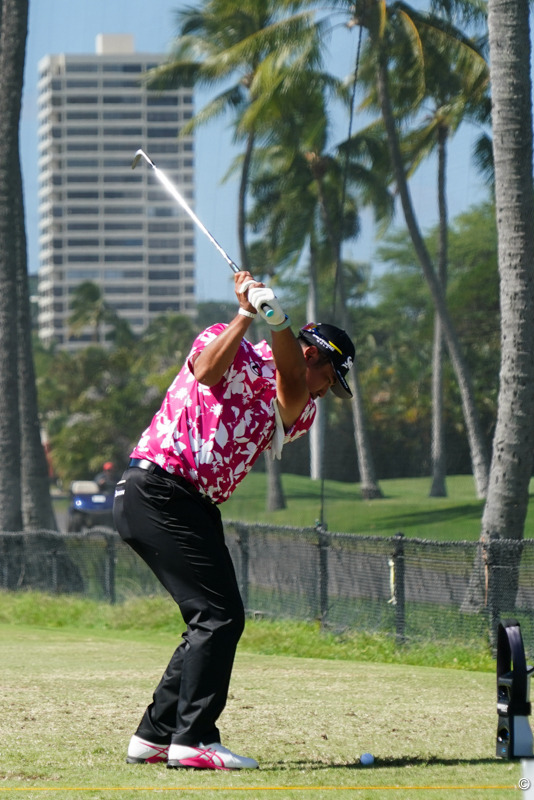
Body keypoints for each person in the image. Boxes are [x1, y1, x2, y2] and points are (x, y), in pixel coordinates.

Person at [114, 271, 355, 771]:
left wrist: (278, 322)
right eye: (330, 378)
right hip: (158, 489)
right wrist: (248, 314)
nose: (326, 391)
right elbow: (205, 372)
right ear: (318, 357)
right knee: (219, 617)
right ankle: (194, 740)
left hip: (191, 504)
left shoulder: (301, 407)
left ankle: (156, 735)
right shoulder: (224, 340)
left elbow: (289, 383)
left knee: (213, 616)